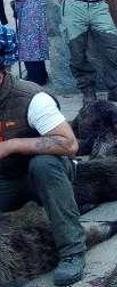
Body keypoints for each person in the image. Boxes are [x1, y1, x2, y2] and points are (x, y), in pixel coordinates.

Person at [0, 27, 86, 286]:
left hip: (42, 175)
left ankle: (72, 250)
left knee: (44, 164)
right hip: (6, 179)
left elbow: (69, 144)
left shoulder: (32, 97)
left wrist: (13, 145)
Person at [8, 0, 49, 85]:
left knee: (30, 45)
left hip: (31, 13)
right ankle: (40, 75)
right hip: (37, 10)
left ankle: (36, 78)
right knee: (36, 45)